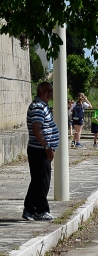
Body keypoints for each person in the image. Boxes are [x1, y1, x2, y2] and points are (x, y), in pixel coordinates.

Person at [23, 81, 59, 221]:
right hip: (39, 150)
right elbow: (37, 130)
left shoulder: (41, 106)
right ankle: (40, 210)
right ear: (39, 91)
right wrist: (47, 147)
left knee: (38, 181)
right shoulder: (38, 107)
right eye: (46, 90)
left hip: (39, 149)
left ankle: (30, 209)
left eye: (51, 90)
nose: (50, 93)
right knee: (42, 181)